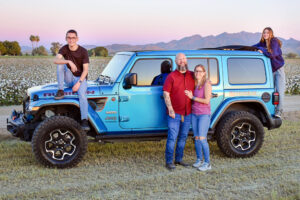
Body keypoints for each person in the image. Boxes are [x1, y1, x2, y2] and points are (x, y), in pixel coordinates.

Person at [163, 53, 195, 170]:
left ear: (186, 60)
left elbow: (203, 81)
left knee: (183, 137)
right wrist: (170, 109)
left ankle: (179, 159)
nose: (182, 61)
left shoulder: (192, 75)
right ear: (176, 62)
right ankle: (169, 161)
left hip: (188, 113)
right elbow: (166, 93)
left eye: (184, 59)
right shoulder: (171, 76)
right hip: (174, 113)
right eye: (179, 59)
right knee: (172, 137)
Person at [54, 29, 90, 131]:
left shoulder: (83, 51)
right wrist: (69, 61)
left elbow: (86, 70)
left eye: (73, 38)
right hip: (69, 78)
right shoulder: (64, 48)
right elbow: (55, 60)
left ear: (77, 39)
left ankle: (84, 120)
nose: (71, 40)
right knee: (60, 64)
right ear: (66, 39)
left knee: (82, 95)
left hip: (80, 79)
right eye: (69, 38)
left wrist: (79, 83)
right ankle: (60, 91)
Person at [185, 64, 212, 171]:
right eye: (196, 71)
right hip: (194, 114)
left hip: (204, 114)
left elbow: (206, 101)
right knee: (196, 138)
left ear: (204, 73)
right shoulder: (195, 84)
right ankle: (199, 160)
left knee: (202, 138)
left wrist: (193, 97)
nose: (197, 73)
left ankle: (207, 163)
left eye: (200, 71)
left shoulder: (207, 84)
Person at [253, 27, 285, 118]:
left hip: (278, 70)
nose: (265, 34)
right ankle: (269, 111)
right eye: (264, 32)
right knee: (269, 91)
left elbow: (272, 54)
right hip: (270, 70)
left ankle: (279, 111)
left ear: (271, 33)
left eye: (267, 32)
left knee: (279, 91)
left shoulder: (274, 41)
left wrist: (262, 50)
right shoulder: (262, 43)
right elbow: (254, 46)